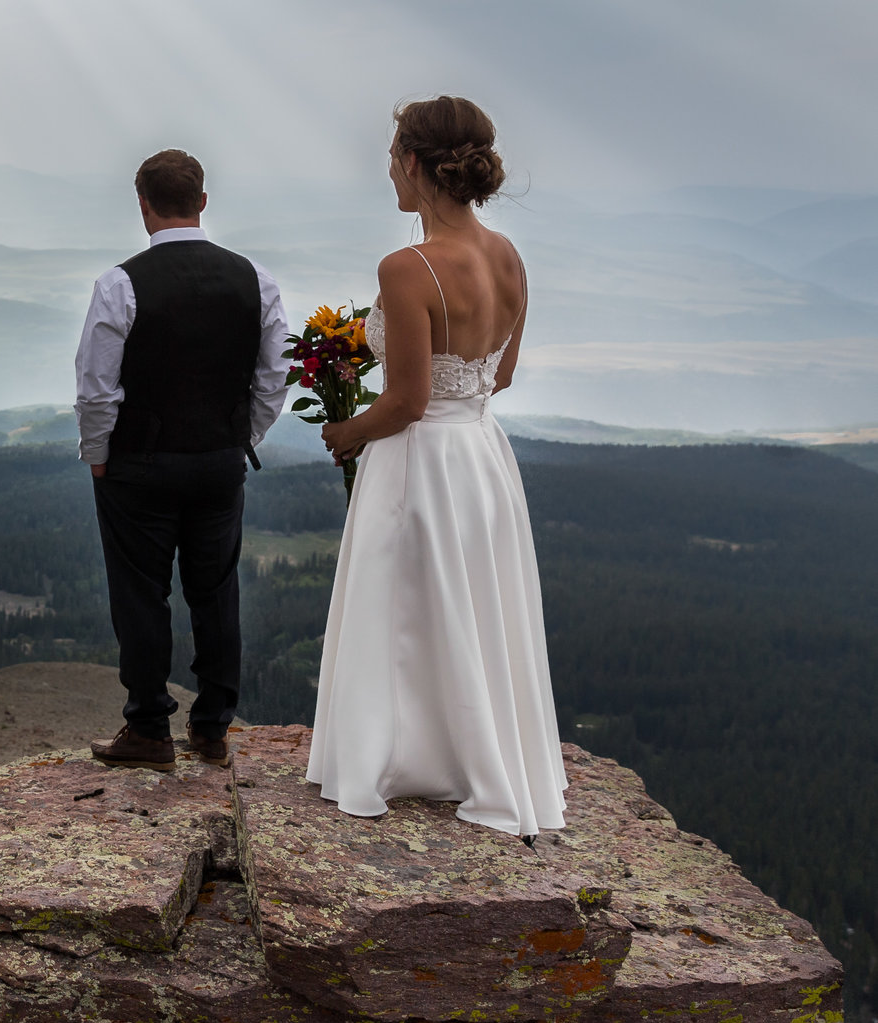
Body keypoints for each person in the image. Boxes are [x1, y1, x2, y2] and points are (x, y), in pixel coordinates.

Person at [308, 96, 564, 839]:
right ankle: (475, 757)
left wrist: (346, 431)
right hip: (482, 456)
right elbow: (501, 374)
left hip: (419, 461)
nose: (389, 166)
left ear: (416, 163)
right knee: (472, 600)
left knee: (406, 607)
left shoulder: (407, 267)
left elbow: (409, 402)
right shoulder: (508, 255)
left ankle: (394, 758)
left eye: (393, 154)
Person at [76, 150, 291, 771]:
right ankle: (213, 727)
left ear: (143, 204)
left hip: (137, 464)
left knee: (140, 594)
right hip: (220, 459)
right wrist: (239, 434)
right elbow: (274, 375)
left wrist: (99, 454)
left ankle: (147, 729)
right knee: (216, 589)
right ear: (202, 201)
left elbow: (96, 385)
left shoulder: (120, 283)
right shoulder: (257, 280)